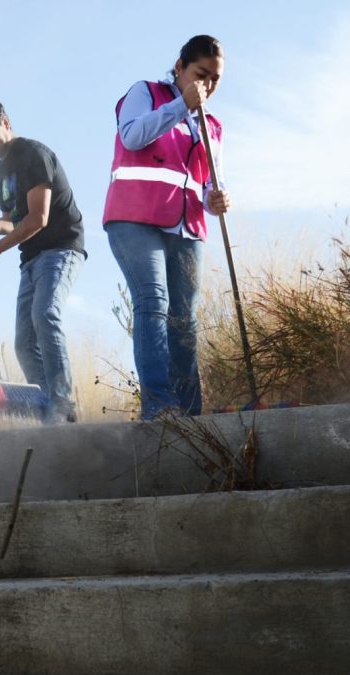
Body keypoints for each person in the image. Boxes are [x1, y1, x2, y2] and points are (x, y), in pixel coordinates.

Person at [102, 34, 232, 420]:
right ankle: (159, 405)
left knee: (184, 318)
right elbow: (132, 135)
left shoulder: (214, 126)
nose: (207, 85)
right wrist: (181, 106)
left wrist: (217, 199)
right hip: (134, 219)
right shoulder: (147, 93)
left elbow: (211, 182)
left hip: (187, 229)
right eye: (200, 74)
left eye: (215, 79)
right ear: (180, 68)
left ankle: (190, 411)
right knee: (153, 302)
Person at [0, 98, 87, 424]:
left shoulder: (33, 154)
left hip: (60, 249)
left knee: (45, 314)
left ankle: (62, 403)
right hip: (30, 259)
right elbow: (12, 220)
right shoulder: (1, 170)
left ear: (5, 120)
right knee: (24, 344)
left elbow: (37, 219)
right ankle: (50, 415)